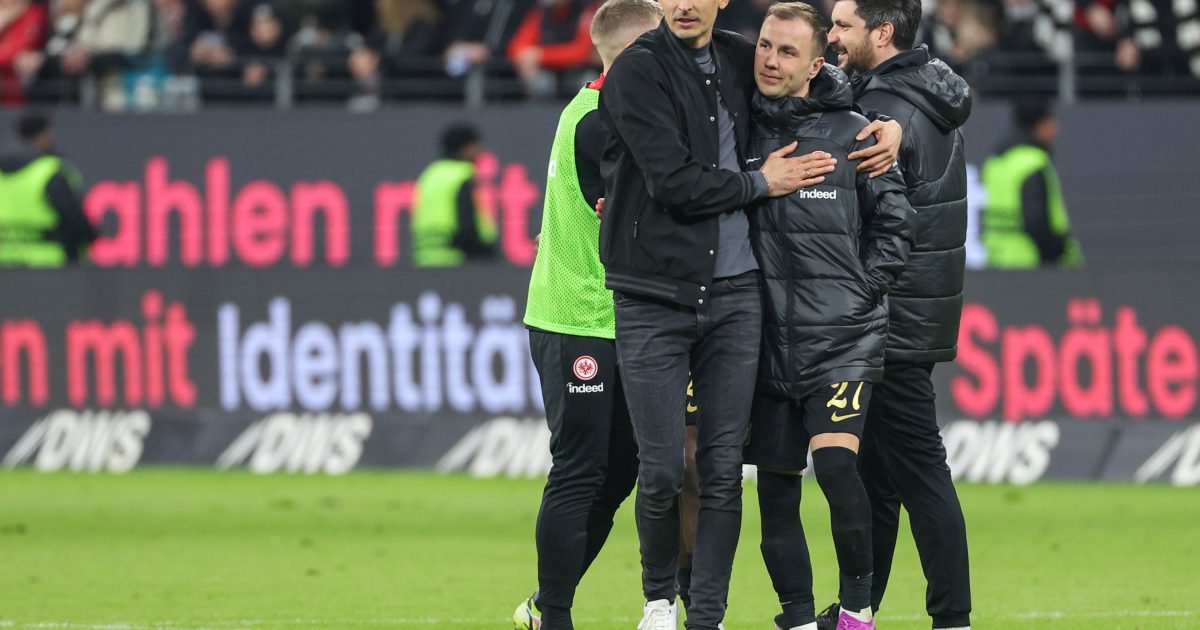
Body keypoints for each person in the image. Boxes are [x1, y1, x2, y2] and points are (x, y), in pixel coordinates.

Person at [598, 0, 847, 625]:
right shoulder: (637, 71)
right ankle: (659, 599)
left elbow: (817, 79)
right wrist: (764, 182)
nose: (685, 4)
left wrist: (881, 123)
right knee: (658, 471)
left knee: (722, 471)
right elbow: (674, 183)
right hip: (653, 295)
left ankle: (705, 616)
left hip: (737, 296)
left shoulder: (740, 55)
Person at [741, 4, 915, 630]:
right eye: (764, 45)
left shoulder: (854, 133)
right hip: (761, 342)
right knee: (776, 489)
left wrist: (862, 292)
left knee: (838, 469)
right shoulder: (737, 131)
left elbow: (895, 224)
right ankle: (796, 617)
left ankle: (857, 611)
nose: (769, 60)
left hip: (841, 338)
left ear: (816, 65)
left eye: (787, 52)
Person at [815, 0, 975, 627]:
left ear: (881, 33)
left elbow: (860, 218)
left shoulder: (886, 111)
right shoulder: (922, 91)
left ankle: (951, 617)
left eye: (842, 26)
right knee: (878, 476)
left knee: (919, 475)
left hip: (889, 318)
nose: (831, 37)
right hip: (911, 311)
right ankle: (861, 612)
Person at [512, 3, 662, 628]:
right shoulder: (601, 120)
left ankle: (547, 602)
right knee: (580, 467)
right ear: (633, 55)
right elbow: (633, 221)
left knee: (622, 468)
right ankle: (556, 615)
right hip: (578, 319)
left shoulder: (608, 110)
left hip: (615, 319)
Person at [981, 97, 1082, 269]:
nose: (1056, 127)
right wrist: (1059, 250)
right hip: (1032, 265)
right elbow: (1036, 223)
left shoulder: (996, 163)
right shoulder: (1033, 163)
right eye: (1051, 120)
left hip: (996, 259)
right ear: (1039, 124)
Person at [0, 113, 97, 266]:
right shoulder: (49, 172)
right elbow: (72, 215)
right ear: (44, 136)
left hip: (6, 265)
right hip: (50, 266)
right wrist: (91, 236)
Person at [411, 123, 499, 267]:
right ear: (465, 148)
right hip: (456, 260)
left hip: (425, 258)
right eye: (476, 145)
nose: (481, 151)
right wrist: (486, 254)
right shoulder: (462, 175)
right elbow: (467, 225)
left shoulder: (429, 175)